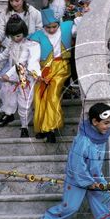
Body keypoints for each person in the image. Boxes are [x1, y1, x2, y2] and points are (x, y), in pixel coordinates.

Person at [0, 16, 41, 135]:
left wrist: (7, 74)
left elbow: (21, 62)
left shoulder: (29, 45)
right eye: (12, 36)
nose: (15, 38)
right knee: (7, 96)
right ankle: (9, 115)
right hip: (12, 78)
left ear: (24, 33)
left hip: (25, 77)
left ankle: (24, 126)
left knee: (24, 104)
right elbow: (4, 56)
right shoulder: (11, 44)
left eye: (18, 35)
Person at [29, 8, 77, 143]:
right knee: (39, 94)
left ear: (58, 23)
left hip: (61, 66)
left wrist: (85, 12)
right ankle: (41, 128)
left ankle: (51, 128)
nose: (51, 30)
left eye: (54, 26)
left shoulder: (67, 28)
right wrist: (37, 73)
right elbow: (33, 58)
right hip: (44, 70)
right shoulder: (37, 36)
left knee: (53, 91)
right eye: (48, 27)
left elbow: (82, 25)